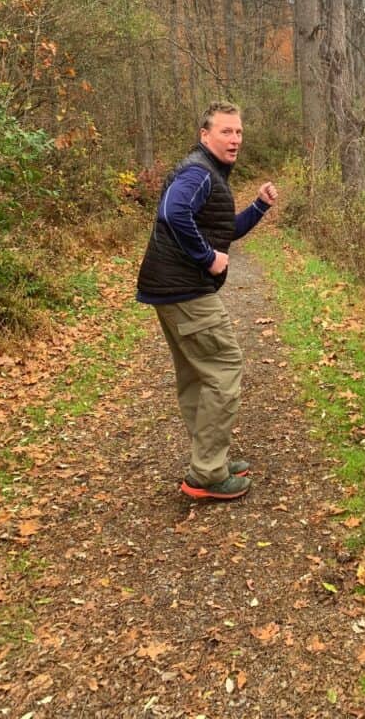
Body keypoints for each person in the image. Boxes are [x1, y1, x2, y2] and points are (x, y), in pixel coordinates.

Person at [136, 102, 278, 501]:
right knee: (224, 365)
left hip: (171, 289)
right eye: (226, 132)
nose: (235, 139)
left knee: (197, 375)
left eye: (238, 132)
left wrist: (259, 206)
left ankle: (209, 457)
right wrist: (206, 258)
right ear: (205, 135)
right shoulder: (198, 172)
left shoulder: (207, 172)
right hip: (186, 289)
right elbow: (172, 211)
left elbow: (222, 229)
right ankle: (208, 474)